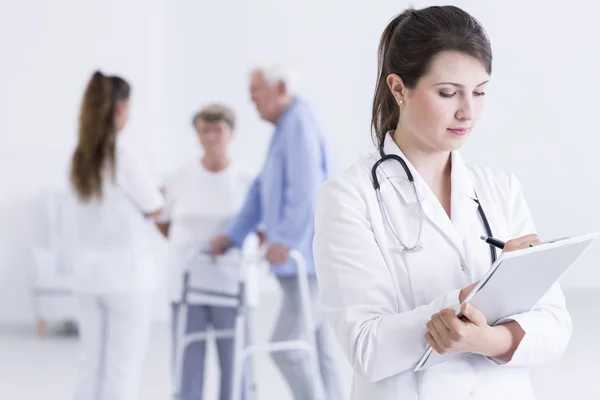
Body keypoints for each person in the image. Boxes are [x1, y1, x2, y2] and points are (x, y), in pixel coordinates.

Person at [312, 6, 572, 400]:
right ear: (398, 88)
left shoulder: (500, 188)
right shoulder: (349, 198)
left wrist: (486, 340)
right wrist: (468, 301)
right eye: (448, 93)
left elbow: (555, 327)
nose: (468, 111)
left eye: (480, 91)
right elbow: (366, 347)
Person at [210, 65, 344, 400]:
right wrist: (233, 235)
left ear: (281, 87)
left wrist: (284, 239)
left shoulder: (299, 123)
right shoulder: (285, 128)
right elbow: (261, 189)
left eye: (256, 88)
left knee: (288, 347)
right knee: (317, 345)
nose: (250, 97)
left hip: (306, 259)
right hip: (302, 258)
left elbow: (307, 189)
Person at [68, 71, 163, 400]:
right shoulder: (125, 156)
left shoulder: (80, 156)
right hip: (127, 278)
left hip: (87, 276)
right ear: (119, 109)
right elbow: (154, 207)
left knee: (90, 365)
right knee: (122, 370)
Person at [156, 104, 255, 400]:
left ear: (231, 134)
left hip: (231, 284)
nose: (211, 138)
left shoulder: (247, 179)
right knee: (187, 367)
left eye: (218, 130)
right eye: (204, 131)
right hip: (188, 286)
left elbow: (259, 228)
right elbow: (162, 222)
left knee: (235, 366)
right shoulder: (178, 177)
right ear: (197, 135)